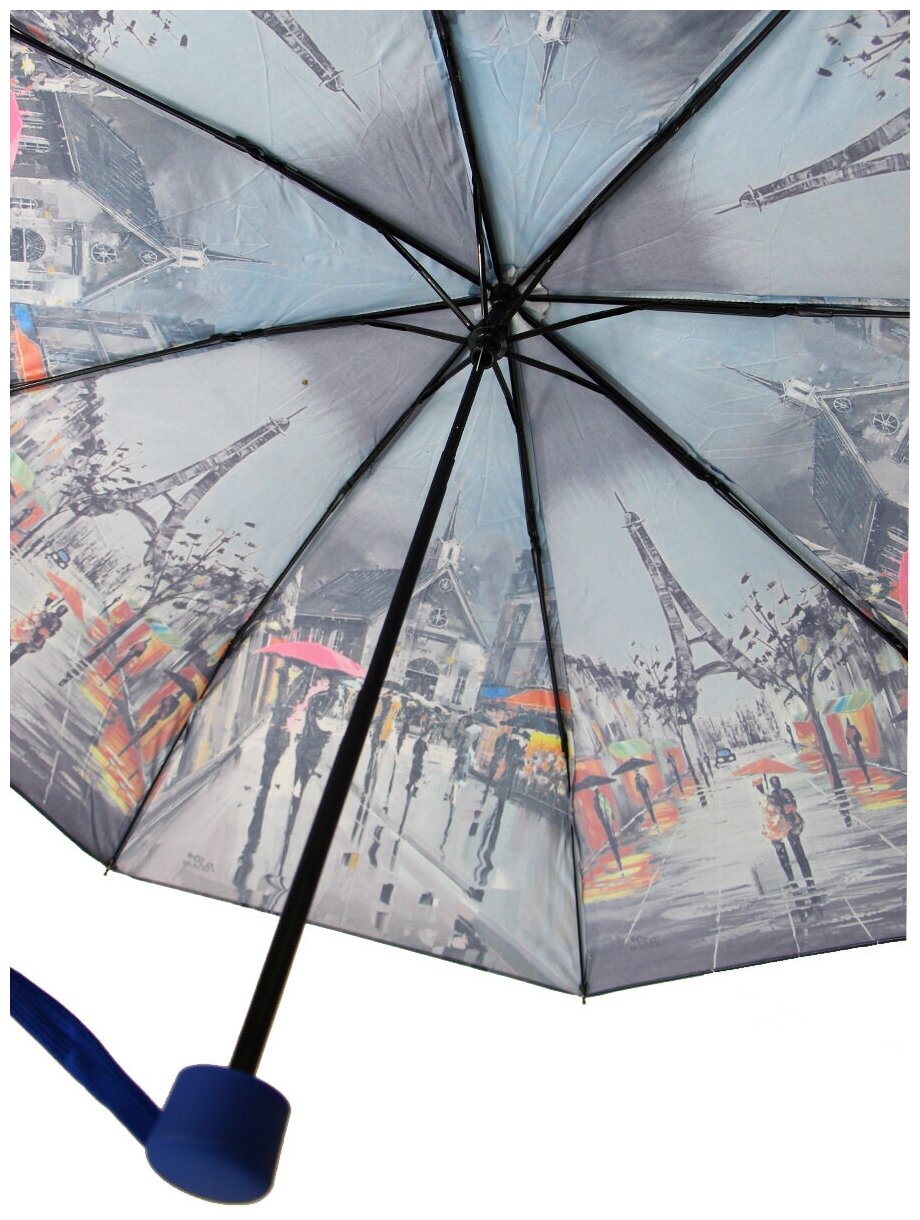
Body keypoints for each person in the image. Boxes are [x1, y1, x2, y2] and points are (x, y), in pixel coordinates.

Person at [762, 775, 816, 897]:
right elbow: (772, 811)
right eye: (774, 783)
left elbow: (793, 806)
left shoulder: (785, 793)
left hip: (790, 825)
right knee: (787, 855)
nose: (776, 784)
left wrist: (782, 806)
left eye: (776, 782)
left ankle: (806, 880)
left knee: (797, 853)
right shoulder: (772, 797)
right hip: (780, 827)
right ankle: (795, 881)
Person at [845, 718, 872, 786]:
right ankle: (864, 767)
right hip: (856, 744)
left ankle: (863, 766)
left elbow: (848, 739)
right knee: (859, 754)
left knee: (858, 754)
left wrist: (850, 741)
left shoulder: (848, 730)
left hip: (854, 745)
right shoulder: (852, 729)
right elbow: (858, 736)